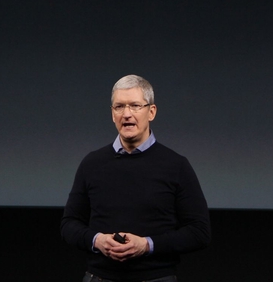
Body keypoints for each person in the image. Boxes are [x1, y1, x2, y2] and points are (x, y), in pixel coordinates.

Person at [61, 75, 210, 282]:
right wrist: (98, 240)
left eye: (135, 106)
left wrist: (147, 245)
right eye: (119, 107)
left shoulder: (176, 166)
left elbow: (199, 232)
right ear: (112, 114)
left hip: (156, 278)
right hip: (100, 277)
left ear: (151, 112)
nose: (127, 114)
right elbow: (69, 224)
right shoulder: (92, 163)